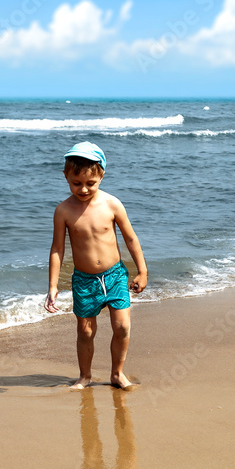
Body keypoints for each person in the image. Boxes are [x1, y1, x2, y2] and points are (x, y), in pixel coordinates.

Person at [44, 142, 147, 389]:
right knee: (86, 332)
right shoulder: (63, 211)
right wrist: (53, 285)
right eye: (76, 183)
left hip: (115, 276)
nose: (83, 189)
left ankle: (117, 374)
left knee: (122, 326)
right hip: (84, 280)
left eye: (90, 183)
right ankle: (85, 376)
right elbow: (57, 249)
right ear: (65, 176)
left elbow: (131, 238)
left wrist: (142, 271)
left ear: (101, 175)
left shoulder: (112, 204)